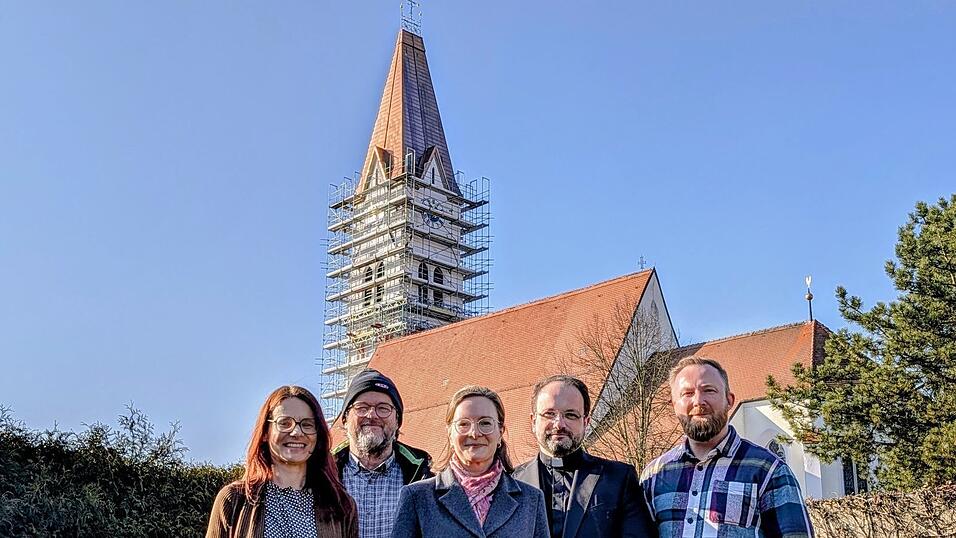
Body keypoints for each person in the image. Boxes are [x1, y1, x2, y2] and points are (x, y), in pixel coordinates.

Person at [641, 357, 814, 537]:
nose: (698, 401)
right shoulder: (654, 476)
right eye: (687, 393)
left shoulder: (768, 470)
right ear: (673, 405)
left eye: (709, 390)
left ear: (729, 400)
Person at [391, 385, 549, 538]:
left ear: (500, 432)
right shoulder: (417, 497)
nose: (474, 433)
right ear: (450, 434)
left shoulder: (531, 499)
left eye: (485, 423)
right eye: (464, 424)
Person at [513, 375, 657, 538]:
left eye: (571, 415)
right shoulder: (512, 483)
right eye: (549, 413)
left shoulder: (619, 479)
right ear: (533, 421)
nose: (559, 424)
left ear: (586, 422)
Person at [206, 385, 358, 538]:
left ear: (318, 435)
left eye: (307, 424)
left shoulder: (341, 506)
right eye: (284, 423)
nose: (297, 432)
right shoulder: (234, 500)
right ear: (265, 432)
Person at [332, 369, 433, 538]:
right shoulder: (321, 476)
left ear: (397, 421)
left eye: (383, 408)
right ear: (345, 419)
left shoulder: (425, 480)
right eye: (361, 408)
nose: (372, 415)